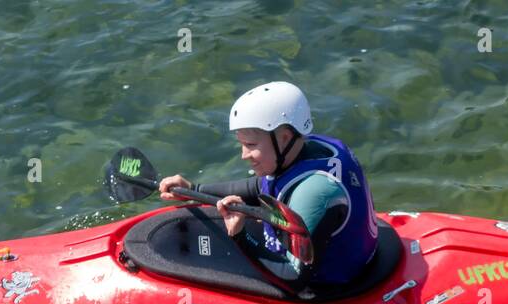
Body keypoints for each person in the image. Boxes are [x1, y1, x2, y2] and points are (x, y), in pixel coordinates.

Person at [158, 81, 379, 291]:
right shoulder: (309, 147)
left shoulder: (314, 193)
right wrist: (195, 190)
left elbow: (294, 278)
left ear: (284, 137)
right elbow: (260, 187)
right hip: (327, 250)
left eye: (250, 145)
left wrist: (240, 235)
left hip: (326, 287)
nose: (243, 155)